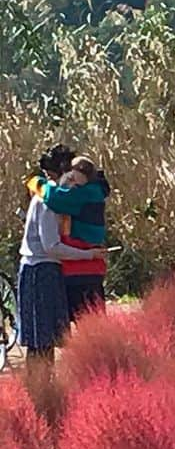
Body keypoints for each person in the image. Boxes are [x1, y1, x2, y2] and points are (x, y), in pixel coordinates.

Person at [17, 146, 107, 360]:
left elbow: (51, 196)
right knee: (44, 340)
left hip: (58, 270)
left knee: (44, 340)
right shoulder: (62, 197)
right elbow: (51, 246)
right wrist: (89, 255)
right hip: (50, 268)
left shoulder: (60, 195)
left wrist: (35, 183)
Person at [27, 151, 111, 320]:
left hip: (81, 271)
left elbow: (54, 197)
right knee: (93, 326)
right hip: (88, 268)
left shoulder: (82, 194)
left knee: (88, 329)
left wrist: (38, 183)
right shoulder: (94, 190)